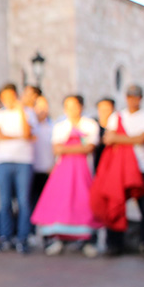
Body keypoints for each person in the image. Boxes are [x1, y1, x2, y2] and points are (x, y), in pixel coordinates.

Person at [32, 96, 101, 257]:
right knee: (62, 203)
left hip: (84, 172)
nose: (72, 109)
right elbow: (57, 149)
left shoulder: (89, 125)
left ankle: (88, 241)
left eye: (75, 106)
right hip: (64, 172)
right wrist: (77, 147)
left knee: (85, 203)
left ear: (81, 107)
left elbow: (88, 148)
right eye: (68, 106)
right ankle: (59, 240)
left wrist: (68, 148)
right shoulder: (61, 126)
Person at [103, 85, 144, 256]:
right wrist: (131, 139)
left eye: (135, 96)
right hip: (120, 170)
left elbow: (142, 139)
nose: (132, 100)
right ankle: (114, 245)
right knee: (116, 205)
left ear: (140, 98)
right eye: (129, 96)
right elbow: (107, 139)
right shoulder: (117, 116)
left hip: (141, 168)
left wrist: (119, 139)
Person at [0, 83, 37, 253]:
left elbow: (27, 133)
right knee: (4, 202)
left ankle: (22, 237)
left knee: (24, 201)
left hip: (23, 161)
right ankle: (5, 236)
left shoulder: (28, 113)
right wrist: (18, 137)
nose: (9, 100)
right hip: (3, 161)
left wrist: (20, 111)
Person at [30, 95, 55, 244]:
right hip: (32, 170)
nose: (41, 110)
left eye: (44, 106)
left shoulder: (52, 127)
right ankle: (31, 233)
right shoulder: (31, 127)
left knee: (48, 205)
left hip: (47, 170)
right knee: (31, 202)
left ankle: (48, 237)